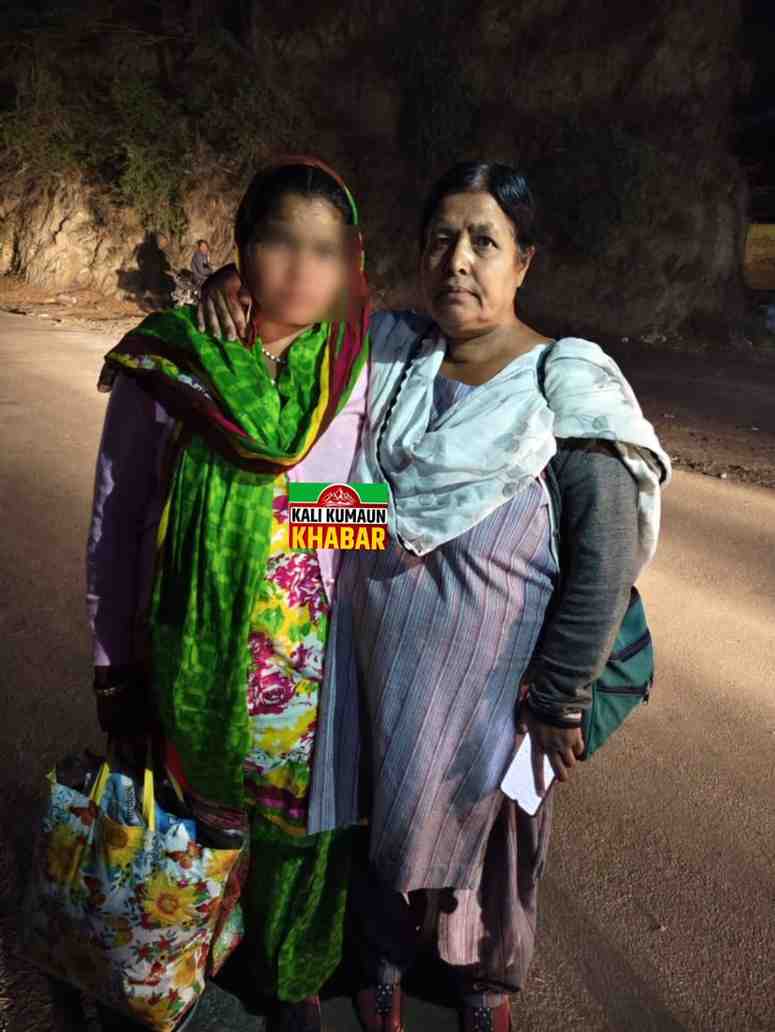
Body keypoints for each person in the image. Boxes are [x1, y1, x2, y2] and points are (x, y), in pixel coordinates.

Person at [199, 161, 671, 1032]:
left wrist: (561, 697)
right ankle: (382, 963)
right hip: (378, 667)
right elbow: (307, 320)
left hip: (498, 689)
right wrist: (236, 285)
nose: (458, 259)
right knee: (382, 818)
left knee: (493, 831)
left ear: (523, 261)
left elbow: (603, 558)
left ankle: (482, 980)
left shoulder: (566, 381)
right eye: (441, 239)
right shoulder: (393, 352)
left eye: (484, 242)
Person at [86, 157, 370, 1032]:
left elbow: (359, 521)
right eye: (280, 240)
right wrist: (112, 665)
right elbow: (115, 523)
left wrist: (297, 524)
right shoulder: (173, 361)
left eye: (325, 249)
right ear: (243, 245)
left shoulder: (359, 369)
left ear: (349, 264)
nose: (301, 267)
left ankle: (292, 980)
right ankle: (177, 960)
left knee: (301, 840)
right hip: (191, 662)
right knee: (193, 833)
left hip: (310, 677)